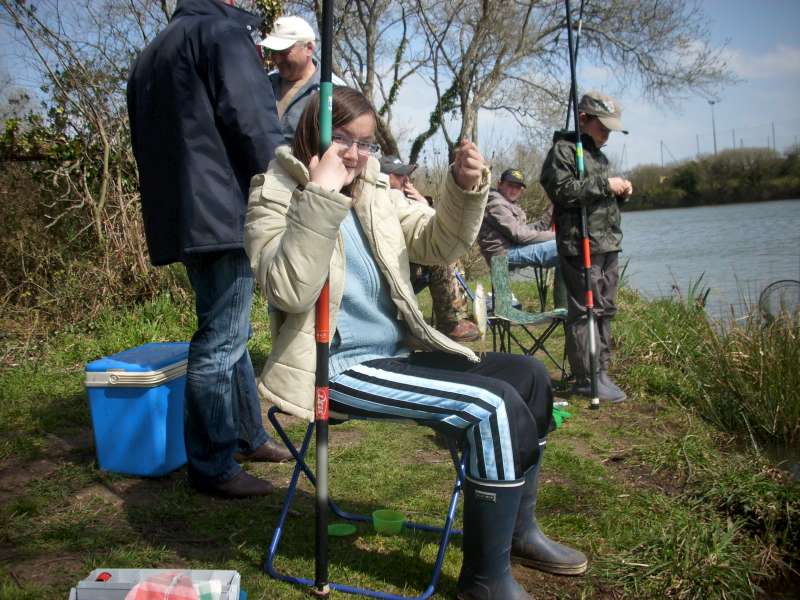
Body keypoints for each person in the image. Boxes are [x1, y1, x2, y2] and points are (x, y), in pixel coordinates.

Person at [245, 85, 587, 600]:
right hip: (332, 369)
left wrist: (463, 187)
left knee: (530, 377)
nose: (359, 155)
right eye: (344, 140)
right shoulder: (272, 193)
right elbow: (287, 288)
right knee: (490, 407)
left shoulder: (375, 191)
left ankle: (517, 533)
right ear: (312, 134)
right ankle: (484, 582)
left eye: (367, 143)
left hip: (395, 355)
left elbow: (438, 242)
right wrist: (319, 196)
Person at [127, 0, 291, 499]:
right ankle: (214, 465)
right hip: (223, 209)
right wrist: (287, 188)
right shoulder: (221, 34)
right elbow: (253, 121)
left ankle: (245, 435)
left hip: (185, 215)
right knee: (220, 341)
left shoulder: (153, 52)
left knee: (227, 330)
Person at [539, 90, 633, 403]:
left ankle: (602, 370)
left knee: (606, 309)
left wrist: (618, 194)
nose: (607, 134)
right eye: (602, 127)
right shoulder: (564, 151)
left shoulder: (598, 156)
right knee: (585, 312)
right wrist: (605, 185)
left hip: (607, 242)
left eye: (610, 130)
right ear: (583, 119)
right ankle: (586, 376)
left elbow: (595, 199)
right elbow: (563, 192)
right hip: (580, 245)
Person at [380, 154, 480, 342]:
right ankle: (450, 322)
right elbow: (429, 239)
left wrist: (423, 204)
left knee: (444, 254)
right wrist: (424, 205)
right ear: (384, 177)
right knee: (442, 257)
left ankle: (453, 319)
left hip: (406, 265)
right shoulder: (388, 196)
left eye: (406, 175)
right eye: (400, 175)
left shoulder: (401, 199)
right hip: (392, 271)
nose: (406, 179)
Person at [258, 15, 344, 145]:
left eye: (283, 52)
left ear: (308, 48)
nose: (276, 59)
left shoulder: (333, 91)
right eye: (273, 52)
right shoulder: (266, 83)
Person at [478, 168, 560, 269]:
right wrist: (558, 236)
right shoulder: (496, 204)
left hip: (513, 249)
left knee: (566, 247)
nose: (514, 190)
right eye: (510, 185)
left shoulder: (509, 204)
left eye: (517, 187)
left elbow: (528, 231)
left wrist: (553, 209)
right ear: (499, 184)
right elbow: (521, 236)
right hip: (502, 255)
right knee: (561, 247)